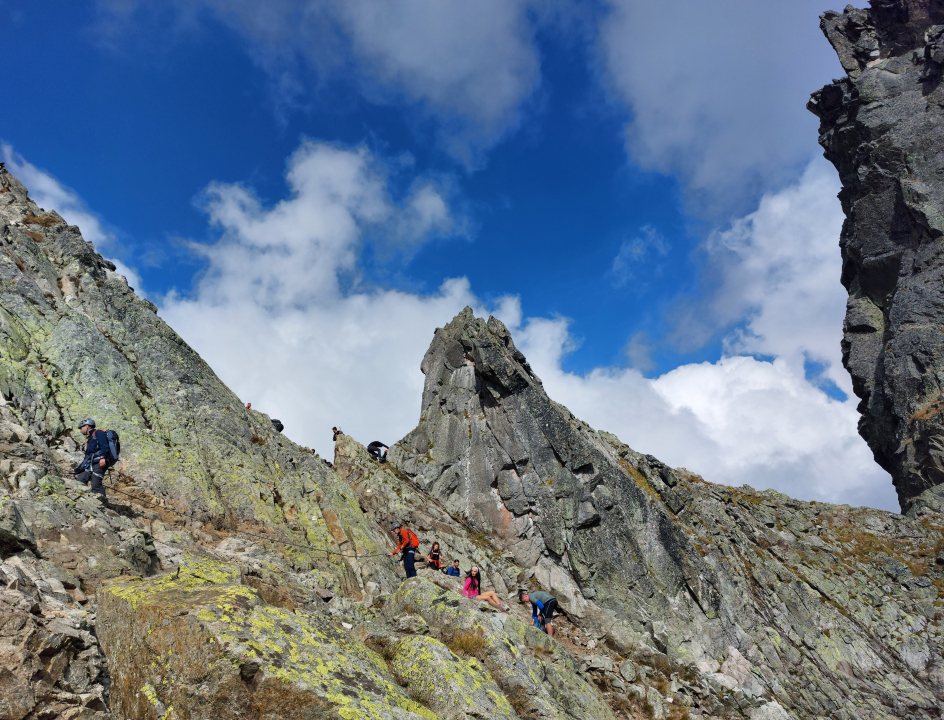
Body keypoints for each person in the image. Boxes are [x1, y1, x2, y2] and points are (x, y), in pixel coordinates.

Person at [74, 418, 112, 499]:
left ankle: (102, 503)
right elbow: (89, 455)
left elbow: (105, 446)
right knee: (80, 479)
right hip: (92, 463)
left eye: (81, 428)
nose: (80, 430)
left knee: (96, 484)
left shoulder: (98, 433)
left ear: (87, 426)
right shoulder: (91, 437)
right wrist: (78, 469)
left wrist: (103, 457)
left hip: (99, 462)